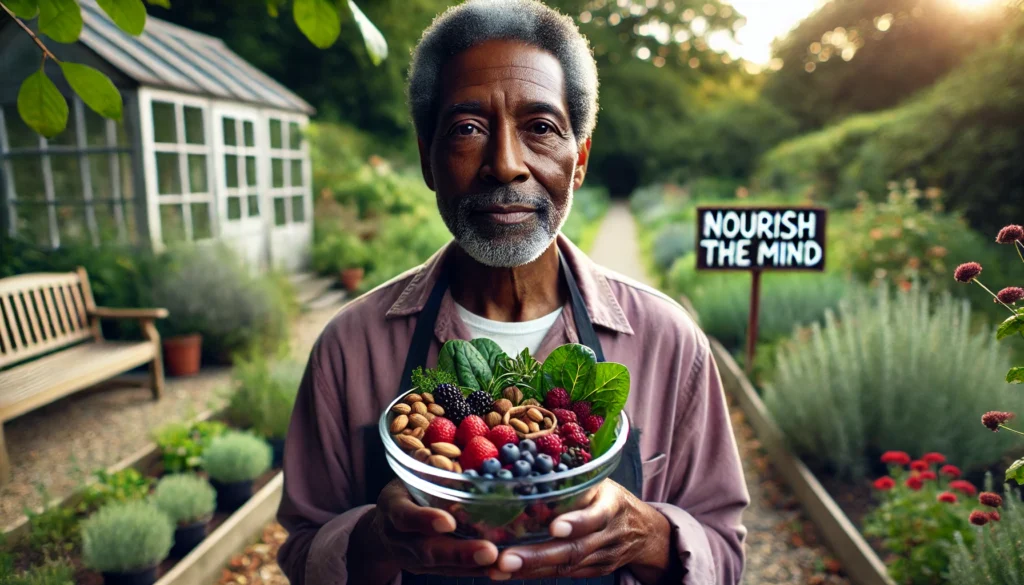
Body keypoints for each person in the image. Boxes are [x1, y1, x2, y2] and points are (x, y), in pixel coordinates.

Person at [275, 0, 750, 583]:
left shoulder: (668, 340)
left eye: (541, 128)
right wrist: (375, 539)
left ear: (578, 160)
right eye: (468, 129)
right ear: (428, 159)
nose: (505, 164)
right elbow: (302, 551)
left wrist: (649, 536)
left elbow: (725, 554)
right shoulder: (349, 347)